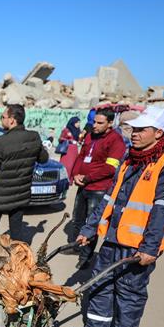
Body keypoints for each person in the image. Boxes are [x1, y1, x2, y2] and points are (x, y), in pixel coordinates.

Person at [66, 107, 164, 327]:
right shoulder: (130, 159)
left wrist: (150, 248)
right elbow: (109, 197)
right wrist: (90, 229)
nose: (134, 134)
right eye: (133, 129)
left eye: (141, 129)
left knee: (129, 292)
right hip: (114, 237)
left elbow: (161, 212)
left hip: (139, 245)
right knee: (101, 282)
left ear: (158, 133)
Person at [0, 104, 49, 242]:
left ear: (12, 120)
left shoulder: (1, 141)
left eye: (3, 117)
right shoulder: (34, 137)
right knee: (16, 230)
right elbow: (43, 159)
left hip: (0, 196)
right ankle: (17, 253)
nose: (1, 119)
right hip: (21, 194)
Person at [67, 109, 127, 268]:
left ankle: (85, 258)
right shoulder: (89, 136)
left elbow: (110, 168)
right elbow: (81, 156)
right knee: (77, 219)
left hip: (99, 189)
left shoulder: (116, 141)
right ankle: (76, 247)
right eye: (94, 121)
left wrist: (88, 177)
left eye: (100, 123)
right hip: (83, 186)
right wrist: (76, 174)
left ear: (110, 123)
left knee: (91, 223)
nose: (95, 125)